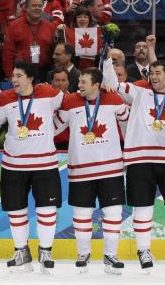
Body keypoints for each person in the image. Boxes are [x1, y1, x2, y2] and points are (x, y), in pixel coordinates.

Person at [102, 44, 165, 274]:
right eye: (151, 73)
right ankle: (143, 251)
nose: (154, 76)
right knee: (143, 207)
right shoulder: (139, 92)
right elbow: (112, 83)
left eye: (158, 73)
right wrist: (107, 60)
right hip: (139, 159)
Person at [0, 61, 64, 272]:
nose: (13, 80)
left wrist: (53, 129)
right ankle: (21, 251)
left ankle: (45, 250)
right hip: (13, 164)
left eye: (19, 76)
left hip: (45, 163)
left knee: (47, 210)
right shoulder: (5, 98)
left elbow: (68, 109)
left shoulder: (50, 94)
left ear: (31, 78)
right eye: (12, 76)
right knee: (16, 210)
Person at [55, 67, 129, 273]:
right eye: (79, 81)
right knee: (81, 213)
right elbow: (53, 127)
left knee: (113, 213)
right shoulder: (70, 102)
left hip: (111, 169)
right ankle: (83, 254)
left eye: (83, 82)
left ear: (96, 85)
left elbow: (128, 123)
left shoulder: (114, 99)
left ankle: (110, 255)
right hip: (80, 170)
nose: (78, 85)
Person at [2, 0, 57, 79]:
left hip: (44, 73)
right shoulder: (14, 26)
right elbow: (8, 52)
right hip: (21, 73)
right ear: (26, 8)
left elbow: (54, 52)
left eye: (40, 6)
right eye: (34, 6)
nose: (37, 8)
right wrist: (9, 75)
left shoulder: (51, 27)